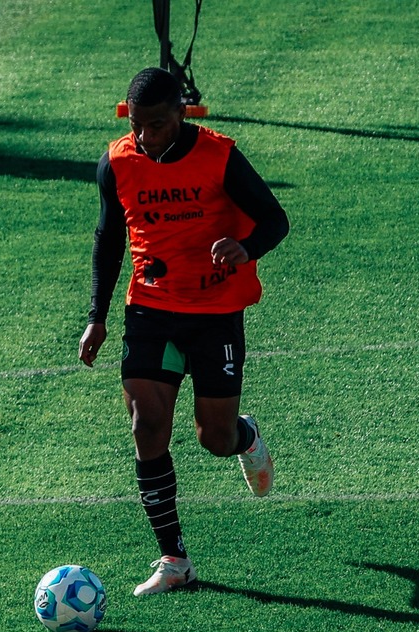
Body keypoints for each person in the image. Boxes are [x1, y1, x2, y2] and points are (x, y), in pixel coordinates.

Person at [78, 67, 289, 596]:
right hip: (149, 307)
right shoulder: (117, 162)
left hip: (215, 309)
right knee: (147, 426)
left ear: (182, 113)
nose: (148, 138)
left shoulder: (219, 156)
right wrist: (97, 316)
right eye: (140, 126)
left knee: (213, 439)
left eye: (160, 125)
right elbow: (109, 239)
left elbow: (274, 218)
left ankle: (245, 436)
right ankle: (174, 559)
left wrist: (247, 248)